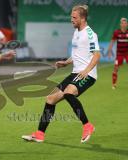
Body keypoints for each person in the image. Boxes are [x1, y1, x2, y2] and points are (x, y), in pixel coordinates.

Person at [22, 5, 100, 143]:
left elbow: (97, 55)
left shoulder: (90, 34)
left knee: (69, 93)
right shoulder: (76, 32)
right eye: (71, 17)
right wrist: (67, 62)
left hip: (87, 75)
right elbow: (78, 54)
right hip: (75, 72)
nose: (71, 20)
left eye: (74, 17)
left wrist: (87, 71)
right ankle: (40, 134)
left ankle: (88, 126)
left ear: (82, 18)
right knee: (50, 99)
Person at [108, 18, 128, 89]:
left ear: (127, 24)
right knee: (116, 68)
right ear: (120, 24)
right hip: (119, 54)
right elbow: (112, 41)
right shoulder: (116, 32)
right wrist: (109, 51)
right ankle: (114, 84)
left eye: (125, 23)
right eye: (122, 23)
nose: (124, 24)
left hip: (127, 53)